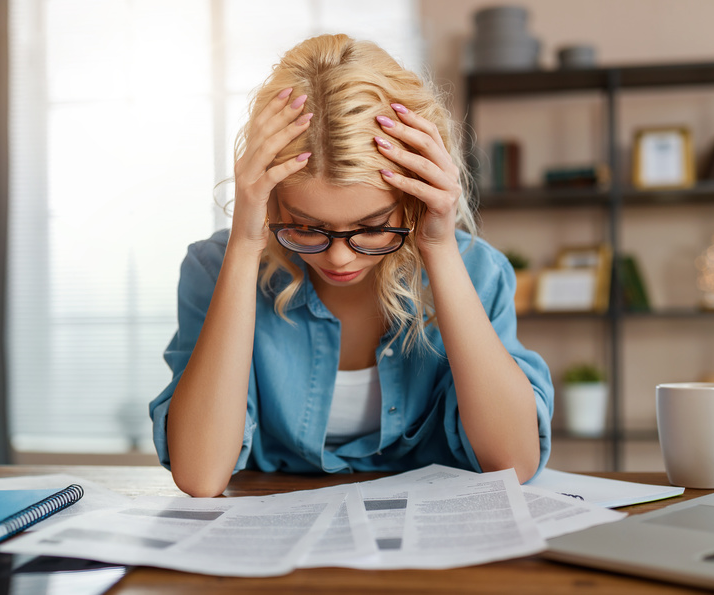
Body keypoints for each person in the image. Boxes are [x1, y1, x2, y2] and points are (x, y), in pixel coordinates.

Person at [150, 34, 553, 497]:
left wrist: (439, 247)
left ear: (412, 198)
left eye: (373, 227)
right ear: (272, 203)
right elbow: (200, 477)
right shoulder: (213, 267)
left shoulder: (476, 270)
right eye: (305, 227)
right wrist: (245, 243)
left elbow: (513, 465)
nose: (340, 256)